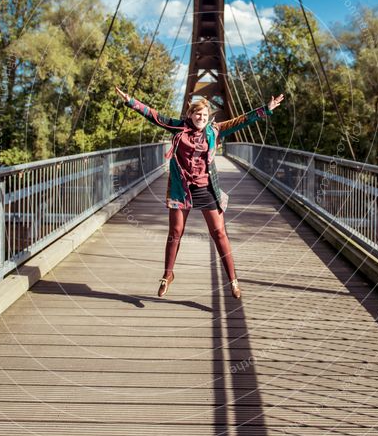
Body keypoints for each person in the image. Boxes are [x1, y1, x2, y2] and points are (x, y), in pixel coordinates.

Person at [115, 86, 284, 299]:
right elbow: (155, 117)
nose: (201, 118)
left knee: (219, 233)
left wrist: (265, 109)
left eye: (205, 115)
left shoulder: (214, 130)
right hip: (181, 189)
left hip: (206, 188)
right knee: (175, 232)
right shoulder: (178, 128)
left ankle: (233, 280)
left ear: (208, 117)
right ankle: (168, 275)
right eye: (198, 114)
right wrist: (131, 101)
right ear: (190, 115)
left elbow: (241, 121)